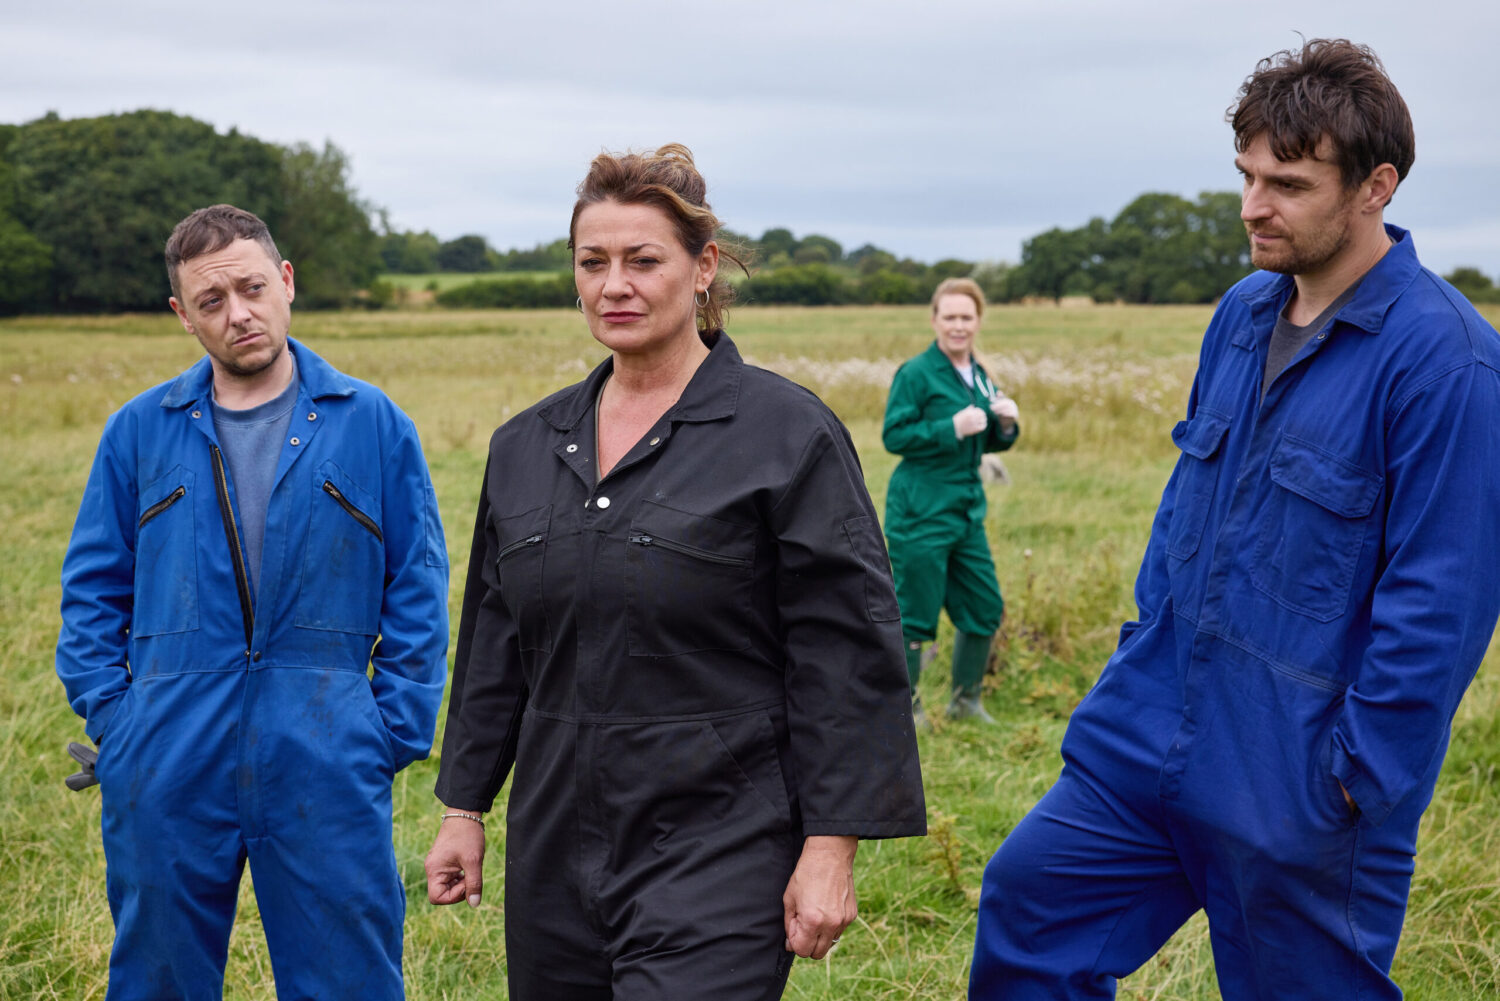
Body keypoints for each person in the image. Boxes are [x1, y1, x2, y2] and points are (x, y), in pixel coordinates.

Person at [970, 39, 1500, 1000]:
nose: (1254, 205)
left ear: (1377, 185)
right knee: (1028, 911)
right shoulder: (1243, 313)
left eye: (1288, 183)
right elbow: (1185, 513)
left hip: (1296, 780)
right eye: (1247, 175)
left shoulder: (1448, 366)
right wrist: (1140, 652)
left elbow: (1442, 605)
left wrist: (1348, 783)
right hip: (1148, 735)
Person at [424, 144, 926, 1000]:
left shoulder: (785, 435)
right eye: (593, 262)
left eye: (642, 260)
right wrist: (464, 807)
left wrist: (831, 844)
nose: (614, 284)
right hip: (554, 841)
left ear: (702, 270)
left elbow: (846, 649)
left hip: (720, 836)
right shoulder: (525, 447)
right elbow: (494, 643)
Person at [55, 204, 450, 1000]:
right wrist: (119, 721)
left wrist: (388, 728)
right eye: (211, 301)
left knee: (349, 982)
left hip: (326, 748)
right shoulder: (138, 432)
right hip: (166, 753)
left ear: (286, 282)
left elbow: (418, 585)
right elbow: (93, 591)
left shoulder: (373, 424)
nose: (238, 313)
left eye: (252, 287)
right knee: (158, 980)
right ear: (182, 315)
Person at [882, 278, 1020, 726]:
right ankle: (907, 706)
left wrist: (1005, 426)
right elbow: (894, 435)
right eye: (950, 317)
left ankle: (965, 702)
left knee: (984, 605)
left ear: (978, 321)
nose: (958, 326)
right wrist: (950, 428)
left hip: (965, 513)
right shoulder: (917, 373)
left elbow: (986, 445)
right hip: (921, 510)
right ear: (935, 320)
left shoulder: (978, 373)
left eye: (966, 317)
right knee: (915, 613)